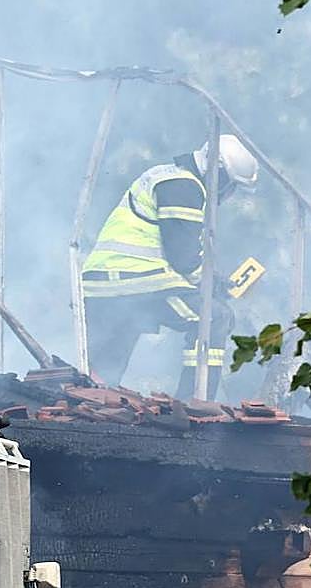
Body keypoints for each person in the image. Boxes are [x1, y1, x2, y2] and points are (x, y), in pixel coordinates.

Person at [81, 135, 258, 400]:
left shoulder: (168, 177)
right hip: (137, 282)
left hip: (106, 283)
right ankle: (195, 402)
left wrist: (213, 281)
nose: (228, 195)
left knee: (105, 370)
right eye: (231, 186)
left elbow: (179, 251)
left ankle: (90, 399)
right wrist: (211, 286)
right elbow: (184, 259)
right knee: (214, 316)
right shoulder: (184, 187)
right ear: (218, 172)